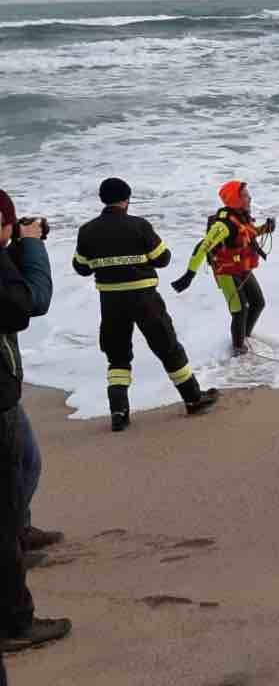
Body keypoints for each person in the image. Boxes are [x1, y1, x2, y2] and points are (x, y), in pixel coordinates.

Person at [74, 179, 219, 431]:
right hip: (144, 299)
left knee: (117, 356)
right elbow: (163, 258)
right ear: (127, 199)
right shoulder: (139, 225)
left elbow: (81, 267)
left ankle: (119, 413)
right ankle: (193, 398)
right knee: (167, 347)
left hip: (110, 302)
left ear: (102, 199)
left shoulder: (87, 230)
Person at [0, 189, 71, 653]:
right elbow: (30, 303)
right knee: (1, 512)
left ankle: (20, 532)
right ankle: (14, 622)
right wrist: (31, 246)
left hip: (5, 389)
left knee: (28, 464)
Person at [172, 181, 276, 356]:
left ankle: (245, 338)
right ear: (235, 199)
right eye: (244, 195)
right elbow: (202, 247)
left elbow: (247, 234)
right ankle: (238, 352)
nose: (249, 197)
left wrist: (266, 229)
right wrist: (189, 275)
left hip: (242, 269)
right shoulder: (223, 225)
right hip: (226, 272)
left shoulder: (241, 216)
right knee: (240, 310)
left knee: (258, 303)